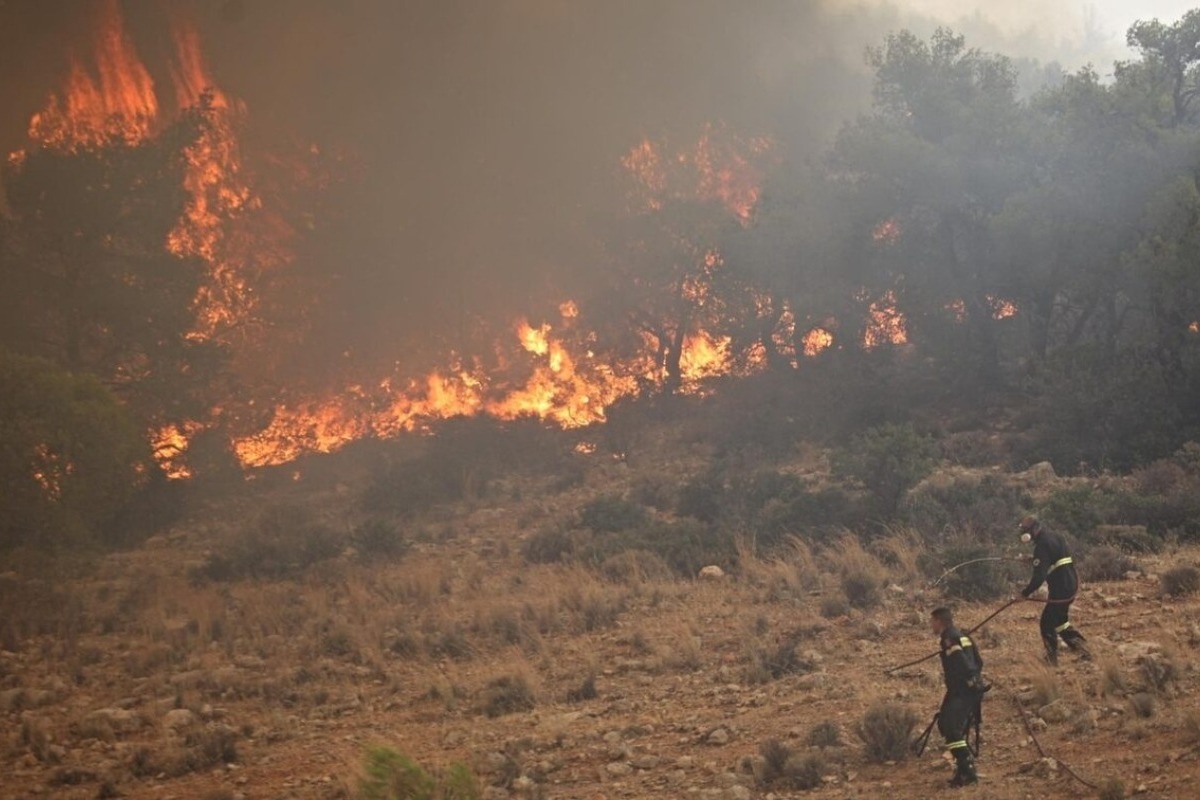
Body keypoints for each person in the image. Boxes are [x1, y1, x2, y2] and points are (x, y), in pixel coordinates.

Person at [1018, 515, 1089, 665]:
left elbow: (1038, 578)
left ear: (1033, 530)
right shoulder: (1054, 536)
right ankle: (1084, 649)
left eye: (1025, 530)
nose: (1024, 534)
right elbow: (1053, 557)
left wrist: (1024, 593)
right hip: (1070, 583)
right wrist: (1033, 559)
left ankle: (1051, 660)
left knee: (1046, 622)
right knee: (1060, 621)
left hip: (1061, 588)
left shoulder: (1041, 546)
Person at [931, 607, 985, 787]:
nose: (931, 625)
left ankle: (967, 769)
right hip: (965, 689)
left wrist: (969, 678)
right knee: (944, 724)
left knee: (951, 728)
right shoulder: (964, 636)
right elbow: (979, 662)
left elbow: (962, 662)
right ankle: (962, 770)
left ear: (939, 621)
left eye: (932, 621)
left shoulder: (949, 638)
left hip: (963, 691)